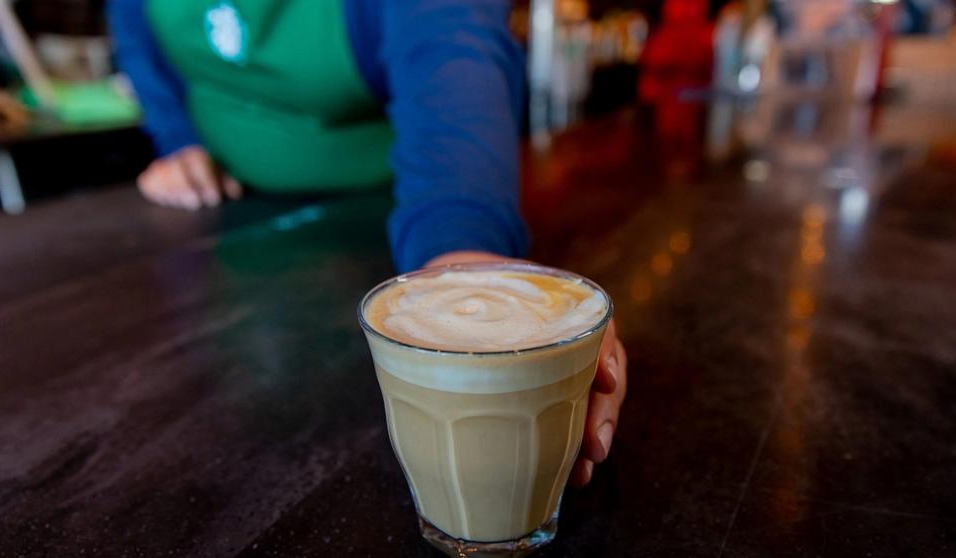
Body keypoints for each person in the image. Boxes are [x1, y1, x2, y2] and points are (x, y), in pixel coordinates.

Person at [108, 0, 626, 487]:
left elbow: (449, 55)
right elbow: (134, 26)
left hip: (394, 221)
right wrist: (176, 136)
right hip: (224, 221)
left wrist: (462, 252)